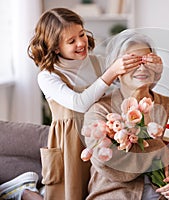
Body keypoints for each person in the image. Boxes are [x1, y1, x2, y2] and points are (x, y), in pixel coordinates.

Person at [26, 8, 160, 200]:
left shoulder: (97, 63)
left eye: (81, 34)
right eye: (71, 41)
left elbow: (137, 87)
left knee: (100, 188)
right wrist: (111, 72)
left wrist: (150, 67)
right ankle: (24, 191)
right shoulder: (48, 76)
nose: (81, 43)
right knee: (69, 193)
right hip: (70, 142)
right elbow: (80, 104)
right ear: (55, 47)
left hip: (102, 137)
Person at [83, 29, 169, 200]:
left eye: (147, 60)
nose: (142, 67)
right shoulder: (100, 110)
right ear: (116, 68)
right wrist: (160, 150)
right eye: (132, 61)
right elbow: (108, 163)